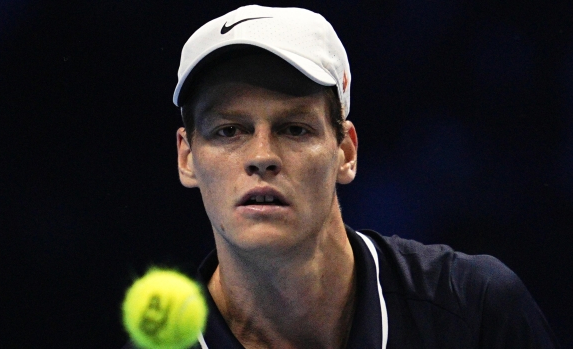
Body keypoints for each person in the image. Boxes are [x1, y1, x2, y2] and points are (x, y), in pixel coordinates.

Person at [127, 5, 559, 349]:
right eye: (229, 131)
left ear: (346, 152)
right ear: (187, 158)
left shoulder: (474, 307)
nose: (261, 156)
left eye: (294, 129)